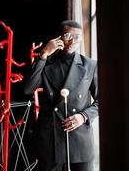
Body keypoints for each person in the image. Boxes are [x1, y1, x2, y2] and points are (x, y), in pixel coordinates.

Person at [24, 20, 98, 171]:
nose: (72, 41)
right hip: (50, 138)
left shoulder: (90, 65)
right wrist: (43, 54)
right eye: (68, 35)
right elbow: (28, 89)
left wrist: (83, 116)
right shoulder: (46, 62)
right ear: (58, 37)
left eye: (77, 37)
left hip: (79, 137)